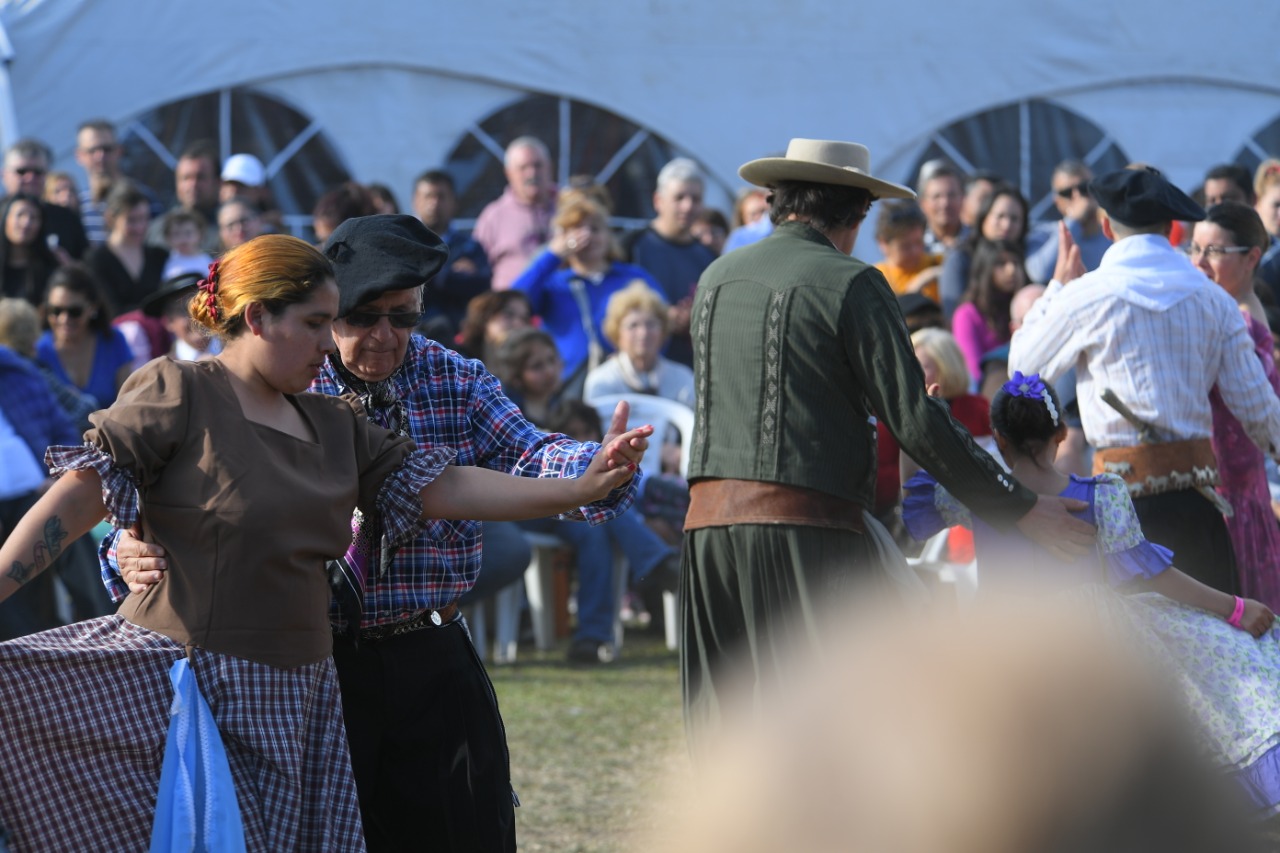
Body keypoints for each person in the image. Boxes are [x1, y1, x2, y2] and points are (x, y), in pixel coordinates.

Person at [0, 231, 643, 851]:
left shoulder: (334, 421)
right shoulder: (180, 390)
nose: (329, 343)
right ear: (256, 318)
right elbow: (82, 498)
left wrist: (577, 488)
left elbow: (444, 486)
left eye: (395, 317)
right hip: (193, 692)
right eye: (318, 324)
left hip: (304, 700)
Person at [681, 138, 1095, 733]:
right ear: (857, 214)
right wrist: (1020, 507)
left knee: (730, 732)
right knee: (839, 727)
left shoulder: (715, 275)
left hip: (707, 535)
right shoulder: (854, 280)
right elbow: (914, 417)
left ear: (779, 202)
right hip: (809, 532)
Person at [903, 373, 1280, 815]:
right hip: (1092, 645)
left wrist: (919, 425)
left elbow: (916, 504)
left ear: (999, 438)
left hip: (1005, 645)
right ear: (1061, 434)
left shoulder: (980, 498)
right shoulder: (1102, 496)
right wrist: (1234, 608)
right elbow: (1156, 575)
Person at [1010, 167, 1280, 595]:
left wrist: (1058, 285)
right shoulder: (1214, 300)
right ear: (1172, 227)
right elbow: (1259, 410)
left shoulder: (1085, 295)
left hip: (1119, 510)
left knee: (1130, 658)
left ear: (1106, 226)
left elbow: (1022, 370)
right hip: (1198, 506)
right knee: (1206, 655)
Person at [496, 329, 679, 663]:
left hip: (573, 506)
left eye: (552, 361)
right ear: (517, 375)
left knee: (595, 527)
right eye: (536, 365)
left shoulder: (566, 404)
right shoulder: (508, 413)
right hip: (527, 507)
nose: (548, 370)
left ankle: (591, 639)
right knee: (602, 513)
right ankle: (658, 564)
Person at [1191, 203, 1280, 610]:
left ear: (1251, 258)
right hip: (1232, 498)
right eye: (1194, 248)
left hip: (1234, 505)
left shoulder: (1238, 322)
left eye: (1213, 251)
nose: (1199, 262)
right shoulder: (1232, 314)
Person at [512, 194, 660, 393]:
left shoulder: (632, 277)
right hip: (567, 386)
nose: (587, 236)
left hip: (625, 383)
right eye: (577, 229)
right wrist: (552, 255)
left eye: (595, 229)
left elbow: (662, 325)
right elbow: (513, 301)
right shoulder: (554, 283)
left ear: (608, 235)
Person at [622, 157, 716, 366]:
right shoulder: (631, 246)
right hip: (638, 371)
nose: (688, 206)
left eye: (696, 198)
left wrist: (697, 318)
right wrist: (661, 317)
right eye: (679, 197)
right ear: (658, 200)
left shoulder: (709, 257)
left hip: (689, 373)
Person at [584, 280, 695, 407]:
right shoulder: (601, 381)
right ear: (617, 332)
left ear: (663, 330)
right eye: (633, 326)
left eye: (651, 324)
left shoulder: (682, 378)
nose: (643, 333)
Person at [36, 263, 133, 408]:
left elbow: (128, 404)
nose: (64, 319)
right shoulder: (37, 351)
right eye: (56, 310)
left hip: (110, 429)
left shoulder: (114, 341)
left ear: (92, 308)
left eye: (74, 311)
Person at [411, 169, 493, 339]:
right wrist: (449, 275)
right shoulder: (405, 245)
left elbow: (482, 284)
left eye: (441, 196)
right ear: (415, 202)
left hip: (462, 337)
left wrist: (427, 275)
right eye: (428, 196)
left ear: (454, 202)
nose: (434, 203)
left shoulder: (470, 247)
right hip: (417, 334)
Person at [473, 136, 557, 290]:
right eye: (523, 168)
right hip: (511, 307)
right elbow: (478, 268)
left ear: (549, 167)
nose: (532, 174)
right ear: (508, 173)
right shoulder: (494, 215)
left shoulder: (569, 207)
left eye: (538, 165)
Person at [939, 183, 1029, 317]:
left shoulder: (1028, 258)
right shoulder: (961, 258)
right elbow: (951, 316)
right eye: (1000, 216)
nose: (1007, 225)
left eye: (1014, 219)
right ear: (984, 218)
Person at [85, 181, 169, 314]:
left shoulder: (159, 256)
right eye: (131, 220)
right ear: (111, 218)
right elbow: (110, 310)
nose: (140, 227)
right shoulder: (96, 260)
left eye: (144, 218)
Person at [952, 238, 1028, 381]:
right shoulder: (967, 315)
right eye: (1001, 263)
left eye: (1016, 263)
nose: (1011, 270)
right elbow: (974, 374)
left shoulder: (1030, 307)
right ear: (985, 269)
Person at [1024, 160, 1111, 284]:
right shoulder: (1043, 234)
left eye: (1084, 188)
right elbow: (1039, 273)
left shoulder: (1113, 234)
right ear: (1057, 202)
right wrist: (1073, 220)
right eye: (1067, 193)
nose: (1078, 197)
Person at [2, 138, 88, 260]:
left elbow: (85, 264)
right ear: (4, 175)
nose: (30, 178)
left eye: (38, 172)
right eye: (21, 171)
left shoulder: (66, 218)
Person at [145, 140, 221, 254]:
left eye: (200, 177)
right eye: (186, 178)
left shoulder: (232, 228)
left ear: (217, 182)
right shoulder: (157, 230)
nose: (193, 185)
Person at [872, 199, 942, 302]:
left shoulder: (938, 263)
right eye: (905, 246)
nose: (915, 251)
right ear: (883, 244)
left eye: (919, 242)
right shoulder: (876, 280)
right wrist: (920, 282)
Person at [0, 193, 58, 304]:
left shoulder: (50, 271)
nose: (26, 223)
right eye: (20, 215)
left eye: (33, 217)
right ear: (5, 218)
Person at [916, 159, 966, 255]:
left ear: (963, 198)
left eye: (951, 195)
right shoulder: (915, 247)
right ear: (922, 203)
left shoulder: (978, 241)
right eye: (936, 197)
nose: (945, 203)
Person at [158, 207, 215, 278]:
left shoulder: (206, 261)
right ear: (168, 237)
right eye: (176, 234)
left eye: (188, 233)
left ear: (200, 234)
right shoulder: (166, 262)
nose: (183, 239)